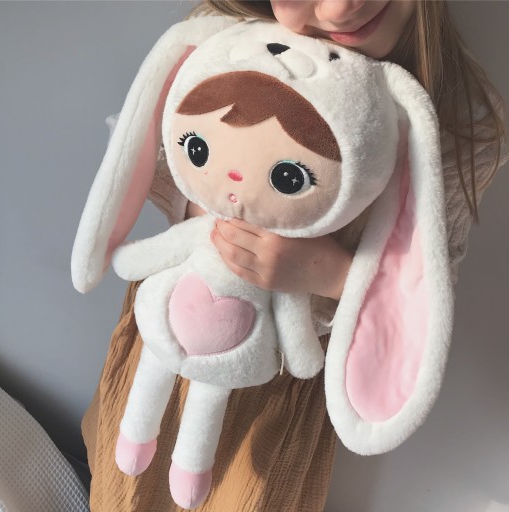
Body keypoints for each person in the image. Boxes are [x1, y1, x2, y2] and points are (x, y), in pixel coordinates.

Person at [81, 1, 508, 511]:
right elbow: (152, 150)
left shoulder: (460, 125)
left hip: (278, 379)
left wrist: (324, 272)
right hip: (170, 325)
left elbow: (423, 291)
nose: (341, 8)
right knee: (124, 476)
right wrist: (208, 204)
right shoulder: (226, 43)